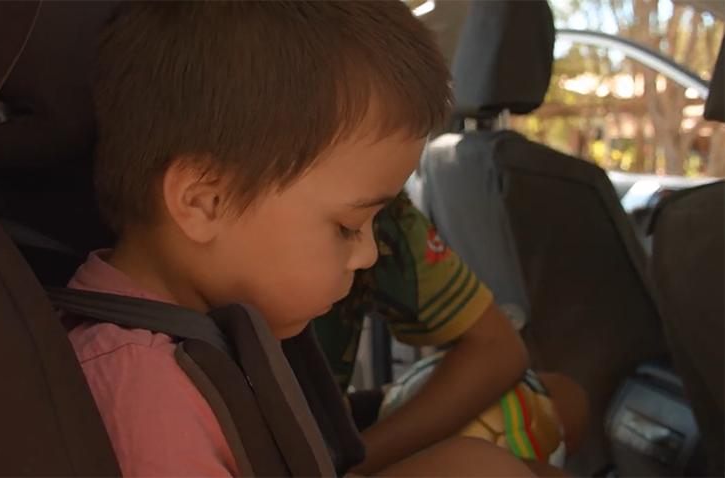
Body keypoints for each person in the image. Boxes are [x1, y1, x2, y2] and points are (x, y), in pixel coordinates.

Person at [64, 0, 546, 476]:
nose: (369, 254)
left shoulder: (205, 332)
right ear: (203, 202)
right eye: (346, 226)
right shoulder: (145, 395)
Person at [314, 192, 590, 477]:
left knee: (566, 398)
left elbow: (497, 347)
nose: (370, 252)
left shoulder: (387, 217)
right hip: (304, 452)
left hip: (327, 431)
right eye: (349, 225)